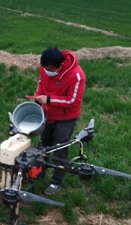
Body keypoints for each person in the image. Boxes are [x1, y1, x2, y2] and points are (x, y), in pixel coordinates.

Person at [30, 47, 86, 195]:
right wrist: (38, 98)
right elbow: (42, 83)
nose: (46, 71)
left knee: (59, 149)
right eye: (44, 68)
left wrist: (48, 99)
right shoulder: (45, 69)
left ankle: (56, 182)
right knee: (43, 145)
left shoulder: (76, 76)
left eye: (49, 69)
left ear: (59, 66)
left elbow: (73, 101)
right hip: (48, 114)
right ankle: (39, 171)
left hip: (65, 118)